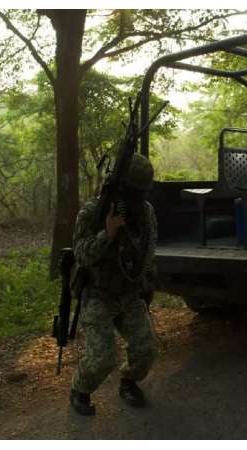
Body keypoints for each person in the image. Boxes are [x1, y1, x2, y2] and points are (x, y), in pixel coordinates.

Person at [68, 153, 159, 416]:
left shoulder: (145, 212)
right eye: (134, 190)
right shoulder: (92, 212)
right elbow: (82, 254)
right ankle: (80, 390)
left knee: (145, 350)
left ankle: (128, 382)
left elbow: (149, 249)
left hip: (129, 293)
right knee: (102, 358)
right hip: (98, 294)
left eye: (143, 191)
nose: (139, 196)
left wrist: (145, 280)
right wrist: (107, 234)